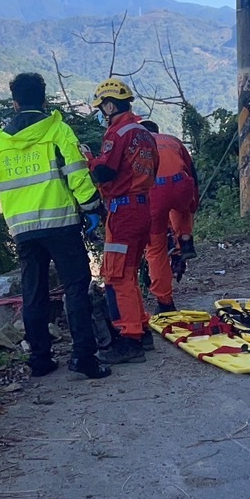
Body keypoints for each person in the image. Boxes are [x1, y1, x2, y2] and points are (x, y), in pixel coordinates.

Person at [0, 72, 110, 380]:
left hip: (24, 232)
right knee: (75, 287)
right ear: (45, 100)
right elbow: (77, 176)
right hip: (61, 224)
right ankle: (84, 357)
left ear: (15, 104)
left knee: (33, 292)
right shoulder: (58, 131)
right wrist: (92, 209)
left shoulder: (1, 144)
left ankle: (39, 359)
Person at [88, 78, 158, 364]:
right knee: (129, 272)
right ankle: (141, 329)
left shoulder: (117, 133)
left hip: (124, 210)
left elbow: (105, 172)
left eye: (102, 107)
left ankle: (130, 340)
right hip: (142, 207)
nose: (102, 113)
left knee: (118, 276)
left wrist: (89, 161)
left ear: (109, 104)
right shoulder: (143, 132)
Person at [139, 119, 199, 313]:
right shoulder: (172, 140)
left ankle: (165, 303)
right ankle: (185, 239)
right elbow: (192, 172)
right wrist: (193, 202)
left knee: (155, 250)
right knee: (182, 206)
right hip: (181, 184)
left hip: (154, 192)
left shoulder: (138, 145)